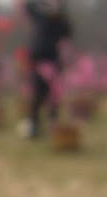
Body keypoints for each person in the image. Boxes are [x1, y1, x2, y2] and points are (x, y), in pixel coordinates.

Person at [21, 0, 72, 138]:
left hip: (54, 63)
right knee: (37, 95)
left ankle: (53, 124)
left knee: (53, 96)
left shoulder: (62, 20)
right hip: (38, 62)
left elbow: (67, 38)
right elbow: (28, 5)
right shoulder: (40, 15)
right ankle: (33, 125)